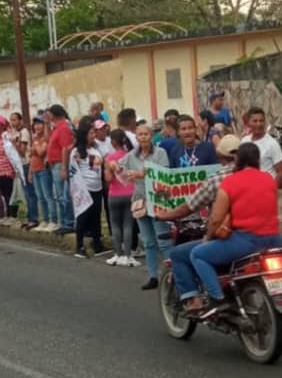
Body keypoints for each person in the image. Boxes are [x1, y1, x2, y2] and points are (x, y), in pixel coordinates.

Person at [187, 143, 282, 314]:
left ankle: (218, 298)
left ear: (237, 160)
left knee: (198, 254)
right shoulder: (269, 178)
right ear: (257, 159)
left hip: (247, 241)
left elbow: (216, 219)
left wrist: (208, 238)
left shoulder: (230, 182)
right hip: (275, 240)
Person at [156, 135, 242, 310]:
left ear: (220, 156)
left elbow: (189, 207)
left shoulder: (217, 179)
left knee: (182, 254)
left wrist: (164, 215)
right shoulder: (257, 175)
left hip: (229, 237)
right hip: (261, 234)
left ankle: (196, 300)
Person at [118, 123, 172, 289]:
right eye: (140, 134)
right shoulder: (131, 155)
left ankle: (173, 273)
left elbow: (164, 173)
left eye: (146, 134)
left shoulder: (160, 152)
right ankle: (153, 275)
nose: (143, 137)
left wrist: (141, 174)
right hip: (140, 199)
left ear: (151, 136)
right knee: (148, 241)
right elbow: (119, 167)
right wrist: (116, 169)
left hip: (157, 200)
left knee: (163, 241)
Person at [103, 129, 139, 266]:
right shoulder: (131, 156)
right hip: (130, 193)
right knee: (128, 225)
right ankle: (128, 255)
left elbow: (108, 178)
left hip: (114, 194)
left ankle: (117, 254)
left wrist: (110, 169)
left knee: (116, 225)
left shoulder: (109, 158)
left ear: (112, 142)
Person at [72, 125, 105, 258]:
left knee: (96, 216)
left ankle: (97, 244)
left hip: (97, 187)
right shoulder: (77, 151)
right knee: (83, 217)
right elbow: (73, 170)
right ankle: (79, 245)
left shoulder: (96, 149)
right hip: (85, 188)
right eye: (91, 133)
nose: (93, 136)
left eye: (94, 133)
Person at [47, 104, 76, 235]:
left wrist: (64, 167)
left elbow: (65, 148)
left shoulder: (64, 127)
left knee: (64, 196)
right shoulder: (57, 127)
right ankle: (64, 221)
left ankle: (68, 222)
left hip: (60, 164)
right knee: (59, 196)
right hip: (54, 164)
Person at [240, 107, 282, 187]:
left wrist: (270, 190)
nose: (259, 124)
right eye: (255, 121)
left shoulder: (272, 144)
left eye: (261, 121)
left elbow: (281, 172)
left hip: (265, 191)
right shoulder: (244, 141)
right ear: (249, 123)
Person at [11, 112, 38, 229]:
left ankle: (33, 218)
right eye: (11, 120)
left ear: (20, 120)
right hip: (20, 165)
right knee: (26, 193)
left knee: (30, 193)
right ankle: (29, 216)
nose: (13, 123)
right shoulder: (16, 133)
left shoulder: (24, 132)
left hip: (26, 164)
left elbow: (22, 152)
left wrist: (14, 144)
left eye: (15, 120)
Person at [30, 116, 57, 232]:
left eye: (39, 123)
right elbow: (31, 156)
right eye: (35, 124)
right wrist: (30, 172)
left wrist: (36, 142)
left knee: (48, 196)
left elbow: (41, 153)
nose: (37, 126)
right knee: (40, 197)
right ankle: (45, 220)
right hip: (35, 170)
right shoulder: (35, 139)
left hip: (44, 170)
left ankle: (53, 220)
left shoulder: (45, 138)